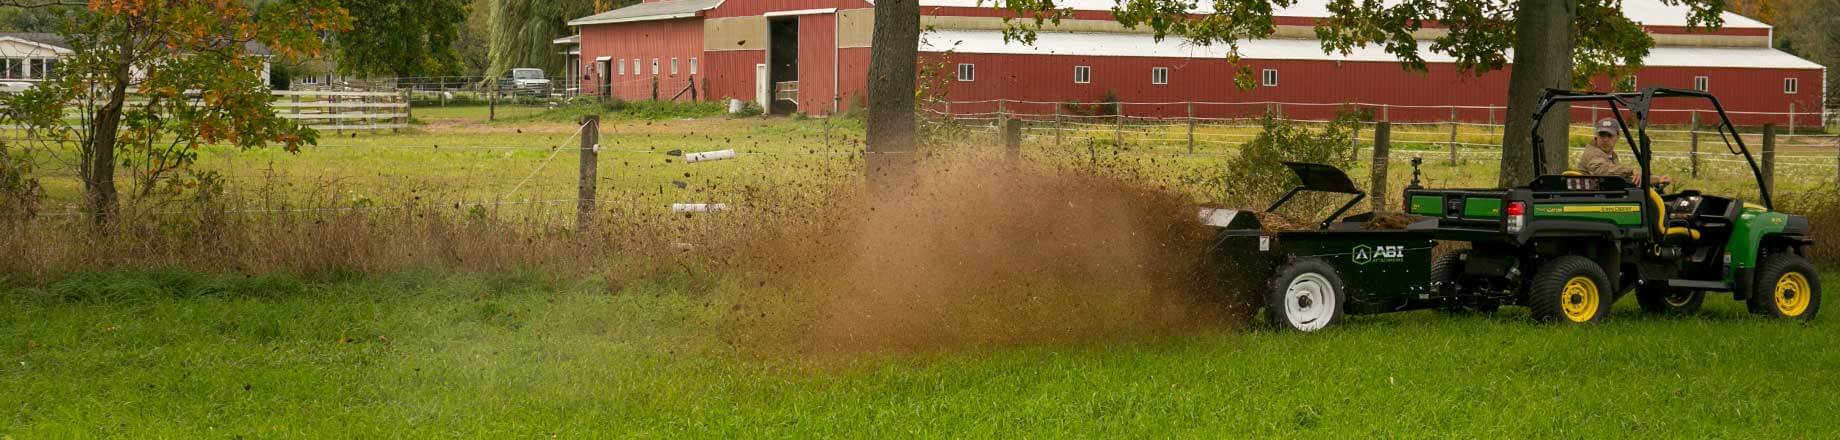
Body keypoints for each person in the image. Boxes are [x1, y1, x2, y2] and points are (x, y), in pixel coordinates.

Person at [1577, 118, 1671, 185]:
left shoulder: (1611, 155)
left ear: (1617, 136)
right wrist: (1631, 170)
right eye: (1602, 135)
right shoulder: (1592, 153)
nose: (1605, 139)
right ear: (1596, 136)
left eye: (1609, 135)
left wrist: (1658, 180)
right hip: (1594, 201)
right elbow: (1602, 171)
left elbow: (1622, 178)